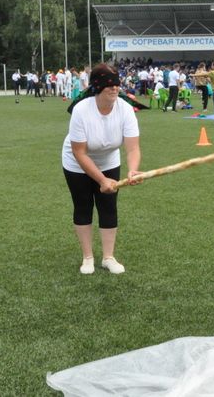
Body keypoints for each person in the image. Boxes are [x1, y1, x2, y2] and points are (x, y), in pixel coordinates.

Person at [62, 63, 141, 275]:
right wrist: (101, 180)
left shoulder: (125, 109)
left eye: (117, 84)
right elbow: (79, 152)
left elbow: (132, 148)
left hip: (108, 161)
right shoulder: (81, 110)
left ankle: (108, 257)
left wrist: (133, 170)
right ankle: (87, 257)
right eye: (109, 85)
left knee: (108, 207)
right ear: (98, 87)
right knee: (83, 206)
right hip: (76, 163)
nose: (114, 88)